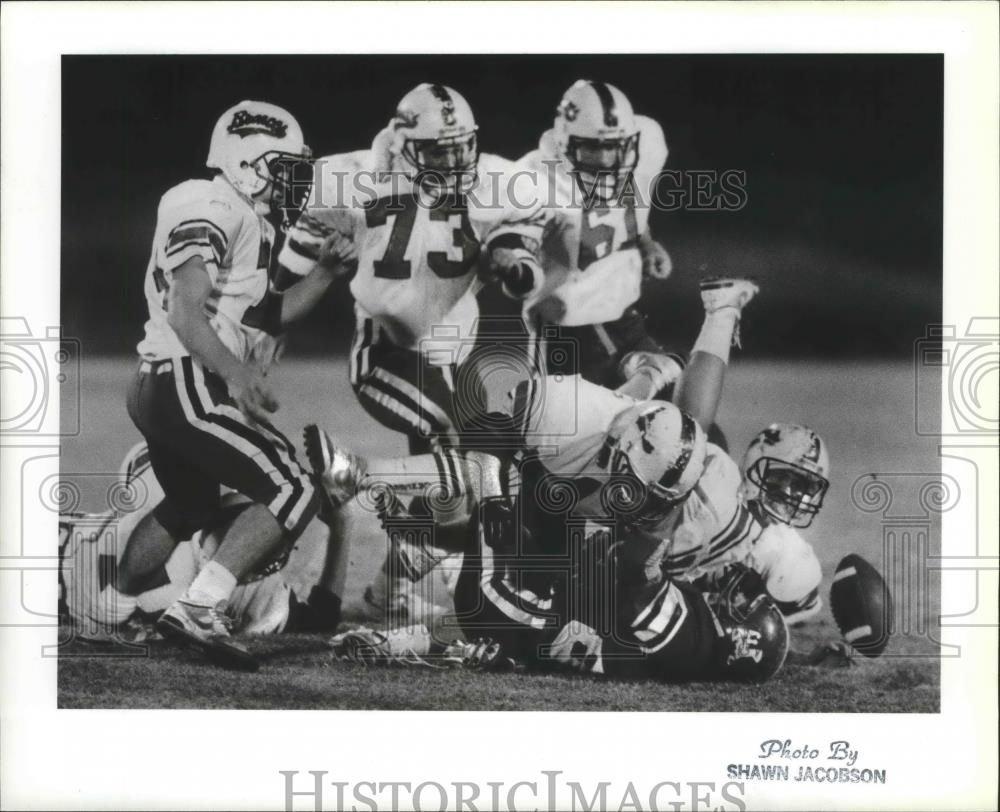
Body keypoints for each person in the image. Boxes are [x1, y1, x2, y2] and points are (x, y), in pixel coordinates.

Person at [104, 100, 355, 669]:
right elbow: (185, 311)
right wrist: (237, 374)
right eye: (284, 167)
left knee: (190, 504)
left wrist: (325, 273)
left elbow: (267, 313)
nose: (294, 182)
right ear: (246, 162)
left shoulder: (248, 219)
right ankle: (200, 604)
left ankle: (115, 603)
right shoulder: (210, 203)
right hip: (186, 378)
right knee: (294, 485)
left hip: (163, 384)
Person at [482, 79, 680, 400]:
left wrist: (645, 242)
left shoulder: (648, 144)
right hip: (570, 330)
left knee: (678, 420)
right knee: (613, 431)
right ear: (563, 144)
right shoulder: (534, 178)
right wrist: (512, 262)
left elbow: (624, 212)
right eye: (592, 148)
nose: (605, 161)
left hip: (623, 319)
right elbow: (507, 248)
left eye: (613, 147)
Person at [60, 443, 345, 651]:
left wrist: (342, 522)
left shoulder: (237, 572)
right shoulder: (167, 536)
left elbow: (321, 615)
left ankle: (108, 611)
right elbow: (322, 614)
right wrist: (341, 523)